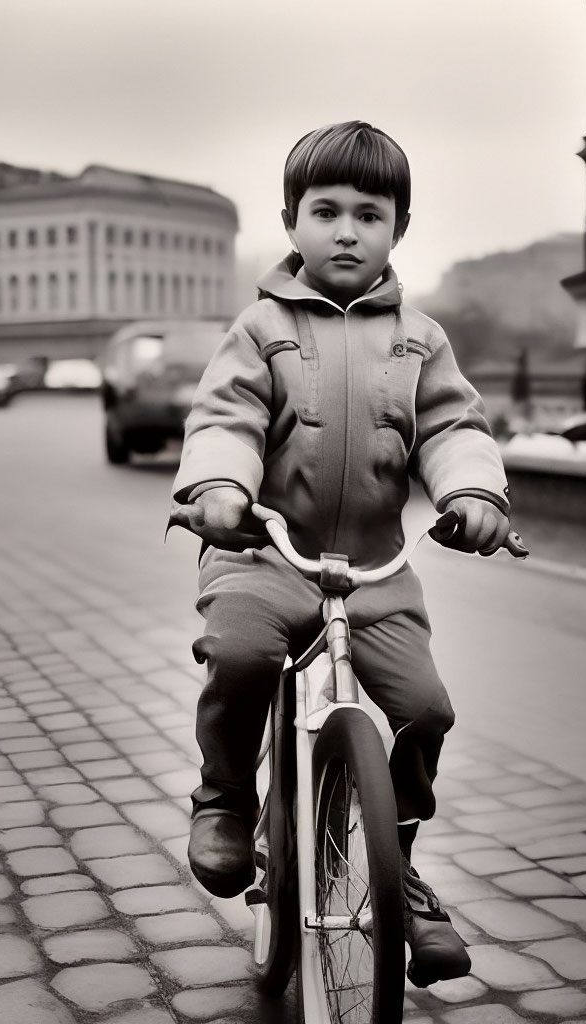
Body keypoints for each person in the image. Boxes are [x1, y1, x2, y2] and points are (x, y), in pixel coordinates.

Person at [168, 121, 519, 987]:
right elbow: (226, 419)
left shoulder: (420, 339)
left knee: (425, 710)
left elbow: (453, 428)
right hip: (264, 554)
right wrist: (217, 490)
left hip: (373, 574)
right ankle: (224, 798)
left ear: (399, 226)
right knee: (243, 654)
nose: (347, 230)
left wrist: (472, 493)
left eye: (370, 213)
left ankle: (399, 868)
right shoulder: (259, 328)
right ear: (290, 221)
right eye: (325, 211)